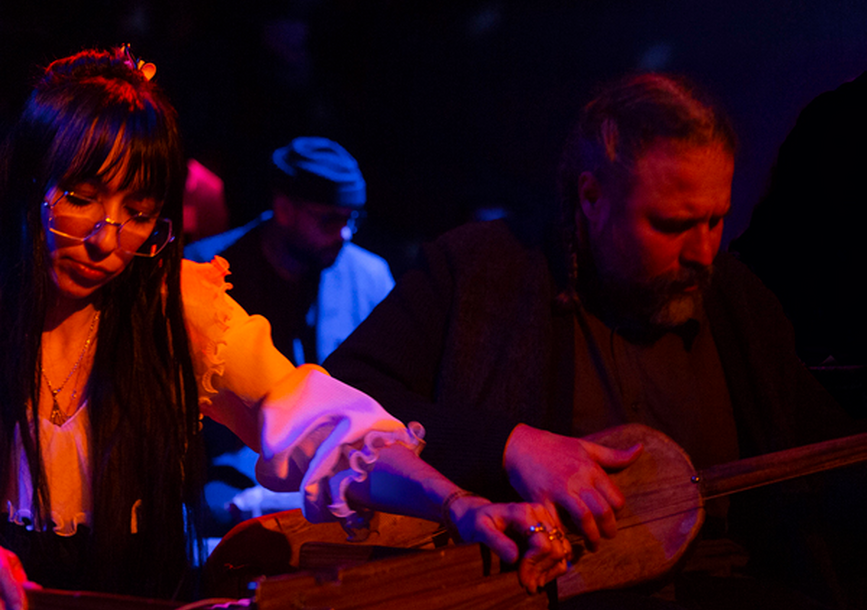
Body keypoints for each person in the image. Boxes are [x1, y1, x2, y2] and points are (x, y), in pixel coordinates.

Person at [0, 46, 569, 609]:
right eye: (80, 199)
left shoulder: (178, 311)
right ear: (29, 183)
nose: (106, 240)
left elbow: (320, 425)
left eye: (140, 215)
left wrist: (457, 504)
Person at [325, 74, 853, 608]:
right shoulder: (478, 273)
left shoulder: (739, 303)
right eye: (672, 225)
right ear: (592, 197)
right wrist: (508, 444)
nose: (703, 252)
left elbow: (830, 458)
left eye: (716, 220)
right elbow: (343, 396)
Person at [185, 136, 394, 366]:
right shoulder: (203, 270)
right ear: (284, 210)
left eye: (351, 219)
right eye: (330, 220)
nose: (345, 234)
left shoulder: (371, 279)